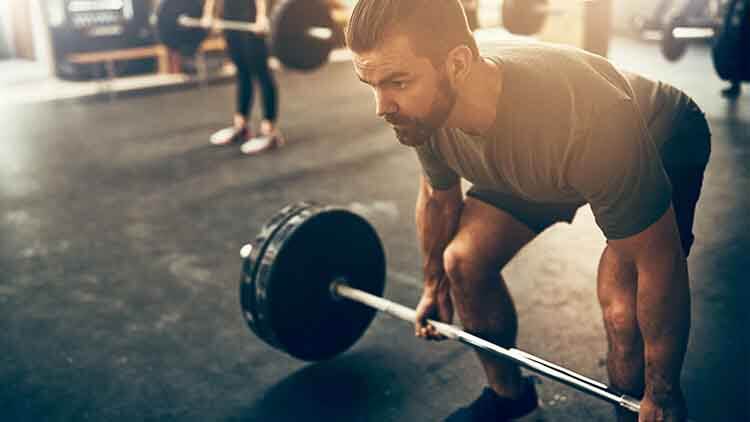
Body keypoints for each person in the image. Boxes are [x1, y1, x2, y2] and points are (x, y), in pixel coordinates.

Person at [345, 1, 711, 421]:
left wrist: (661, 392)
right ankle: (509, 397)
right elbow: (437, 197)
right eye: (369, 84)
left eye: (396, 82)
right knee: (461, 262)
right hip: (551, 158)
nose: (381, 106)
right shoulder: (425, 112)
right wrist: (434, 285)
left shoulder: (588, 120)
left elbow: (656, 261)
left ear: (458, 65)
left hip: (659, 133)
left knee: (624, 314)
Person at [204, 0, 284, 155]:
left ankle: (270, 132)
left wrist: (261, 16)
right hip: (229, 16)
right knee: (242, 71)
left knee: (261, 72)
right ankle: (242, 126)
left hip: (250, 16)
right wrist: (208, 14)